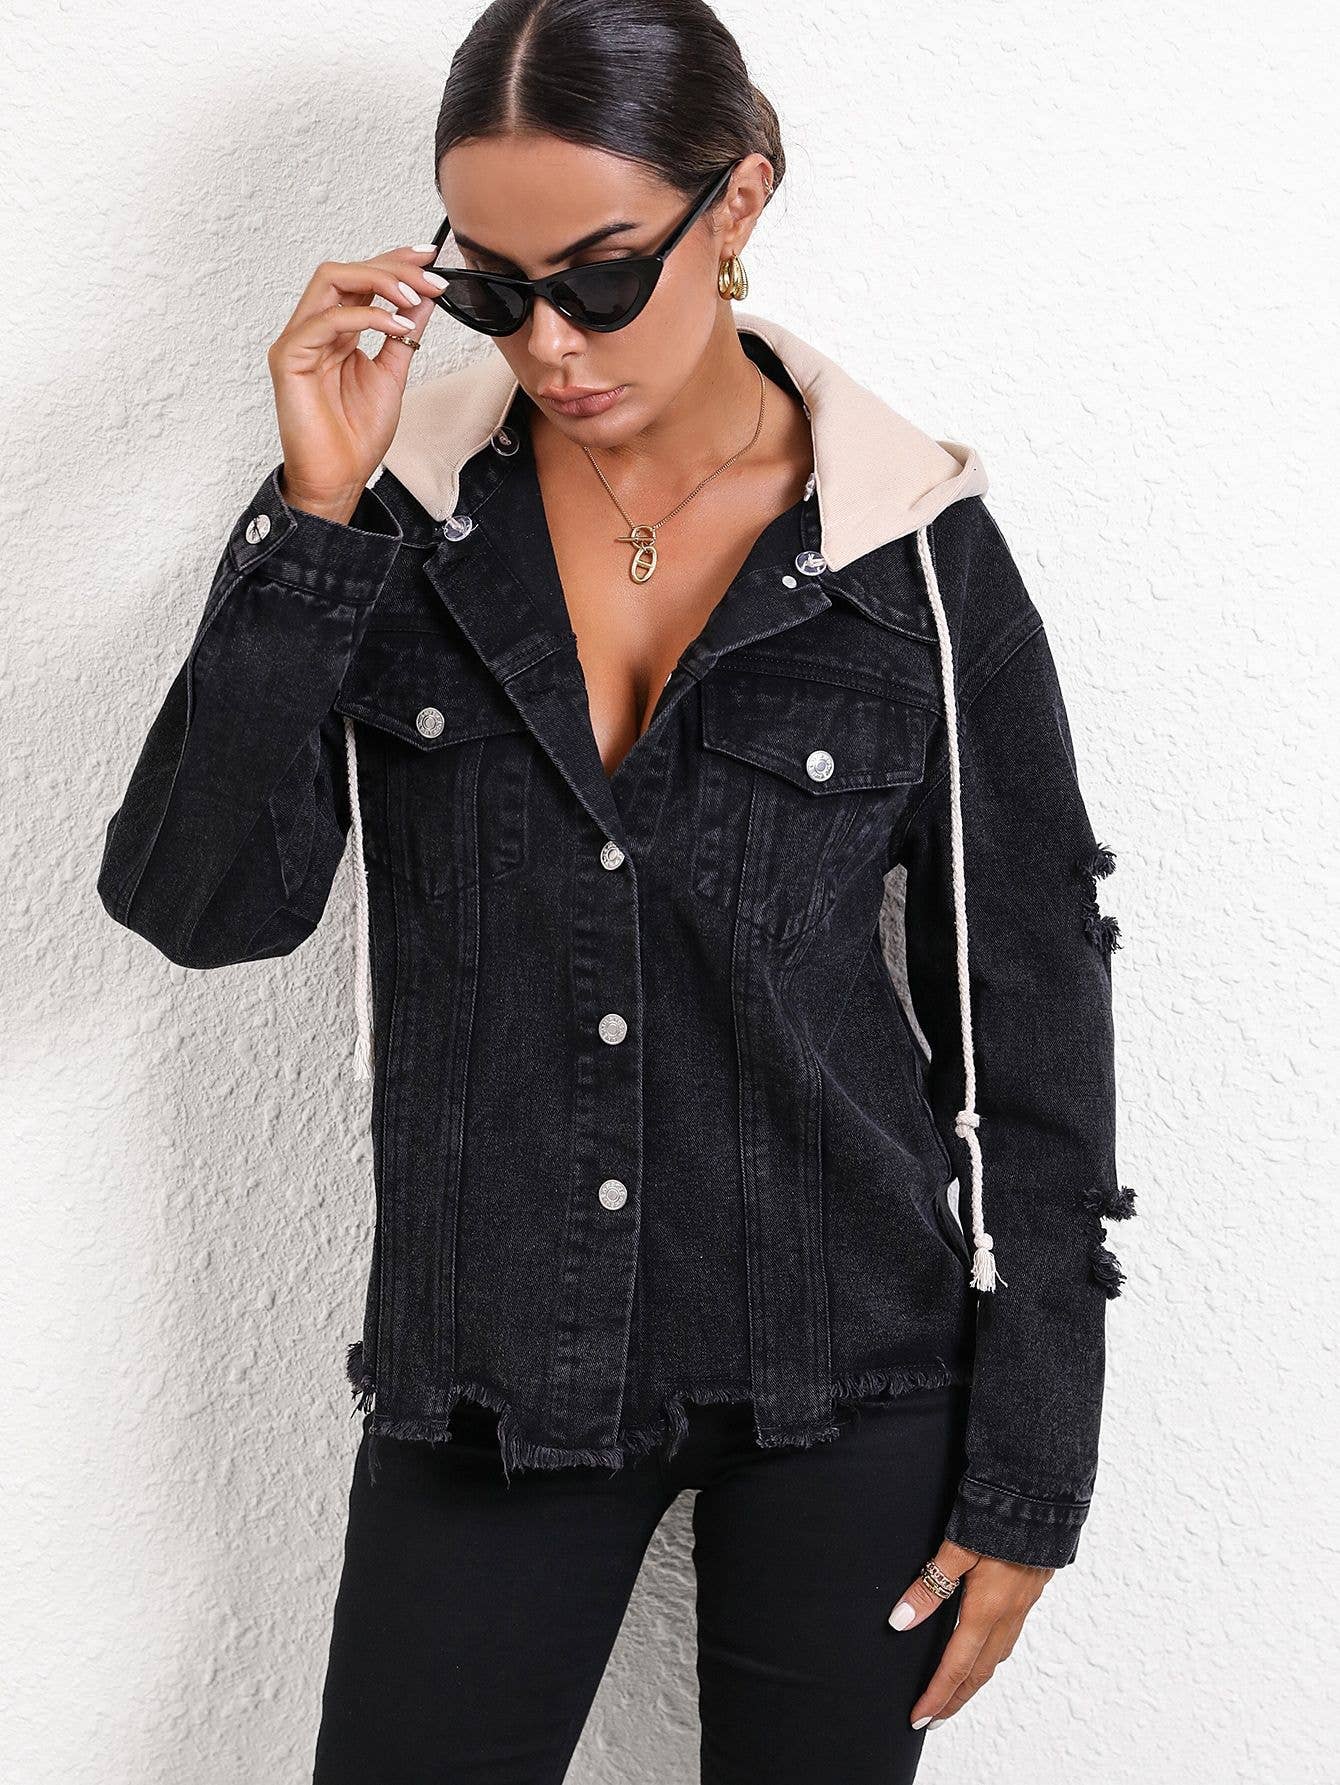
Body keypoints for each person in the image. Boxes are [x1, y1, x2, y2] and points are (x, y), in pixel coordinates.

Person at [96, 1, 1135, 1778]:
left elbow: (1031, 1013)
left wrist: (1035, 1465)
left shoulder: (913, 557)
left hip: (854, 1364)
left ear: (739, 203)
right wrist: (314, 521)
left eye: (600, 276)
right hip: (493, 1357)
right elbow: (203, 907)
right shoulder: (393, 522)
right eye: (492, 290)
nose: (552, 345)